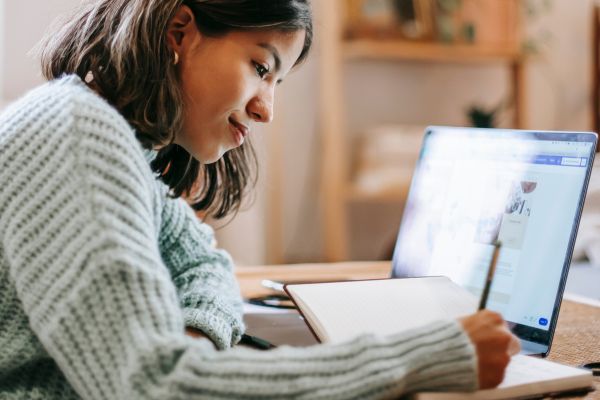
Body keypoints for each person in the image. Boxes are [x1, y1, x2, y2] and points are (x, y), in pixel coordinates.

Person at [0, 0, 520, 398]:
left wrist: (195, 336)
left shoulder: (113, 144)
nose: (266, 108)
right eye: (261, 67)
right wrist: (421, 356)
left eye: (278, 81)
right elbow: (155, 387)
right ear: (179, 32)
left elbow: (204, 265)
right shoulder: (74, 135)